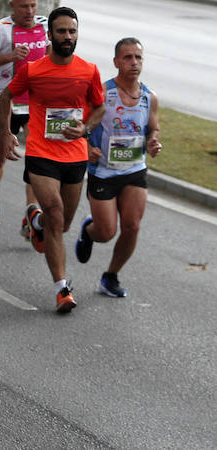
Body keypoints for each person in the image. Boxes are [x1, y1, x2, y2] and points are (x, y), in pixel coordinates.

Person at [0, 6, 105, 313]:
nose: (67, 36)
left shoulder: (88, 70)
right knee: (56, 214)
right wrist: (7, 133)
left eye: (72, 31)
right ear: (50, 35)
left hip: (75, 155)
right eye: (61, 31)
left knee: (63, 223)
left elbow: (98, 107)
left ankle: (36, 220)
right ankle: (62, 289)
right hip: (41, 152)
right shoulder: (34, 70)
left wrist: (86, 128)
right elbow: (6, 96)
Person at [75, 37, 162, 298]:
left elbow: (153, 127)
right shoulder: (103, 93)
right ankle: (90, 232)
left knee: (132, 226)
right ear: (116, 62)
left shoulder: (149, 97)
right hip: (103, 171)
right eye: (127, 57)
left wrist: (153, 141)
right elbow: (81, 126)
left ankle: (110, 276)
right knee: (106, 232)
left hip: (135, 168)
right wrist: (88, 147)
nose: (134, 62)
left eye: (138, 57)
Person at [0, 0, 48, 238]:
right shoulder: (1, 28)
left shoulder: (44, 25)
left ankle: (31, 214)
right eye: (24, 6)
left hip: (36, 104)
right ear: (12, 6)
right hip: (6, 101)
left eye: (33, 5)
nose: (30, 11)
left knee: (37, 160)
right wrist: (9, 56)